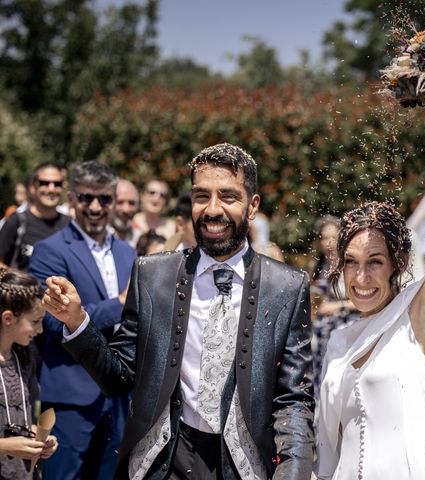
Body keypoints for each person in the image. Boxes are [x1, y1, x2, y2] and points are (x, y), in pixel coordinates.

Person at [42, 143, 315, 479]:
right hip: (165, 461)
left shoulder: (286, 286)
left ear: (253, 205)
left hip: (245, 468)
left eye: (228, 196)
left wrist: (295, 472)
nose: (213, 209)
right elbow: (119, 376)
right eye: (202, 196)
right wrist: (77, 321)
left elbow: (294, 400)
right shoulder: (153, 274)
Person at [315, 87, 425, 479]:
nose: (361, 278)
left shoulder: (421, 319)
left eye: (375, 262)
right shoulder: (340, 342)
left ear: (399, 263)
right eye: (351, 263)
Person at [28, 161, 136, 480]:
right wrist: (118, 304)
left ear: (113, 201)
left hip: (119, 395)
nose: (95, 207)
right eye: (86, 198)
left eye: (104, 199)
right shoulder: (51, 250)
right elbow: (51, 321)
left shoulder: (127, 253)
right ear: (73, 198)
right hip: (71, 395)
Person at [0, 268, 58, 479]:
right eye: (35, 321)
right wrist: (4, 446)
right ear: (8, 318)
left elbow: (19, 419)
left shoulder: (24, 357)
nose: (41, 330)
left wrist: (38, 437)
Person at [307, 215, 356, 395]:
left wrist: (337, 307)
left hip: (347, 328)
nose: (328, 243)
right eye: (324, 238)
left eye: (333, 238)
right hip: (322, 332)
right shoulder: (318, 265)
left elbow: (362, 303)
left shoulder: (351, 266)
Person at [0, 163, 70, 271]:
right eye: (44, 183)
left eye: (57, 184)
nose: (51, 189)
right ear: (34, 186)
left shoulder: (70, 225)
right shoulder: (17, 221)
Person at [110, 179, 140, 248]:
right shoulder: (97, 237)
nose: (126, 209)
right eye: (120, 202)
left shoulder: (139, 238)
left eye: (131, 203)